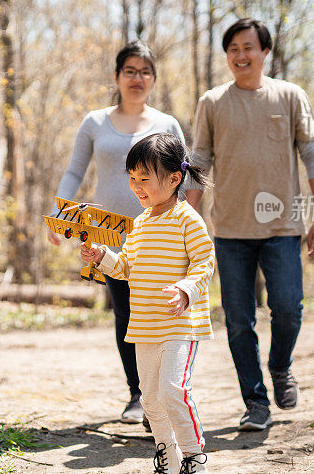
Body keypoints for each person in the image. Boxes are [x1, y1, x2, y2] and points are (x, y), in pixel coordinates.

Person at [185, 18, 314, 432]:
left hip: (283, 227)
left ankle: (280, 366)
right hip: (229, 231)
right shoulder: (212, 102)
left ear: (265, 51)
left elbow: (312, 155)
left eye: (248, 47)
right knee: (237, 319)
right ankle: (255, 402)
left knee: (287, 308)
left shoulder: (289, 96)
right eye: (232, 48)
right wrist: (187, 219)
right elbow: (199, 161)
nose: (240, 55)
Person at [48, 41, 191, 426]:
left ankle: (162, 394)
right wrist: (58, 213)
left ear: (153, 79)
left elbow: (185, 178)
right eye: (130, 70)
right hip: (109, 236)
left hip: (160, 235)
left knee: (161, 313)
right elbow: (76, 171)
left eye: (145, 71)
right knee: (126, 314)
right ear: (117, 76)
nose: (137, 78)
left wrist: (188, 226)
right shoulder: (95, 122)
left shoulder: (167, 125)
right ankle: (138, 396)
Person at [80, 133, 214, 474]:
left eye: (145, 179)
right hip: (145, 326)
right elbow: (126, 268)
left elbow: (205, 262)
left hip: (180, 325)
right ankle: (167, 458)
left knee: (174, 391)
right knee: (152, 401)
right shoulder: (139, 224)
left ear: (174, 178)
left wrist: (186, 290)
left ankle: (194, 456)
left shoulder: (187, 219)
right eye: (132, 178)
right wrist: (101, 257)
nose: (137, 186)